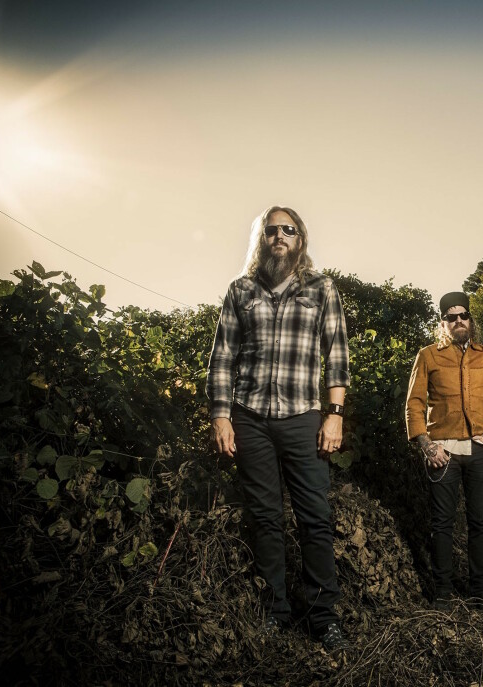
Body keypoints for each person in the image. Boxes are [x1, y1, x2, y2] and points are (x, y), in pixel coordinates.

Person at [206, 205, 350, 652]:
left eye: (288, 230)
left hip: (304, 417)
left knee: (315, 518)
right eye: (272, 230)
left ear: (300, 240)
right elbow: (223, 357)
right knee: (265, 518)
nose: (279, 236)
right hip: (249, 419)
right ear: (261, 239)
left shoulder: (321, 288)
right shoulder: (241, 290)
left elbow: (337, 355)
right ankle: (274, 612)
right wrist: (221, 415)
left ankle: (324, 618)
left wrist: (334, 414)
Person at [405, 291, 483, 610]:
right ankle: (443, 593)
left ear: (471, 319)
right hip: (442, 453)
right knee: (442, 523)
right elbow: (414, 403)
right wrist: (426, 444)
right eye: (451, 317)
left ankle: (480, 591)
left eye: (463, 315)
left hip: (479, 451)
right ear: (443, 323)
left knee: (480, 521)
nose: (459, 321)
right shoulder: (428, 356)